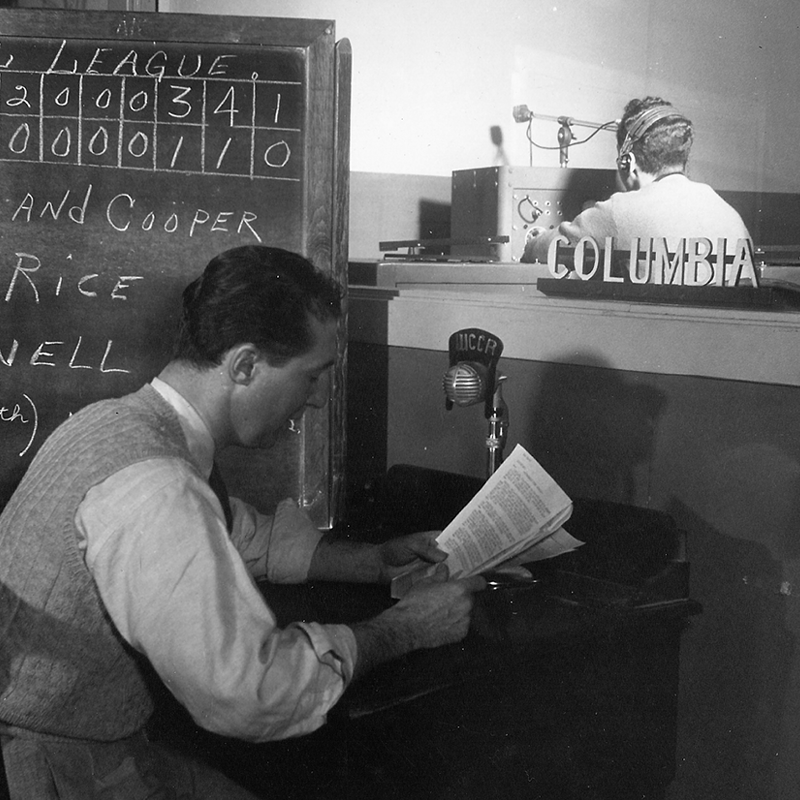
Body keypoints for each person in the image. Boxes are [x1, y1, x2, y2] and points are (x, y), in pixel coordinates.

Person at [0, 245, 486, 798]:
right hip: (50, 769)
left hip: (79, 738)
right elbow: (252, 692)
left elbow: (222, 532)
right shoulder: (157, 489)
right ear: (246, 365)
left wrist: (372, 563)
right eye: (312, 376)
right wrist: (405, 629)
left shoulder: (118, 420)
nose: (321, 400)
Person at [522, 96, 752, 265]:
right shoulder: (729, 215)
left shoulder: (619, 212)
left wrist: (534, 238)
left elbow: (545, 249)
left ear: (627, 162)